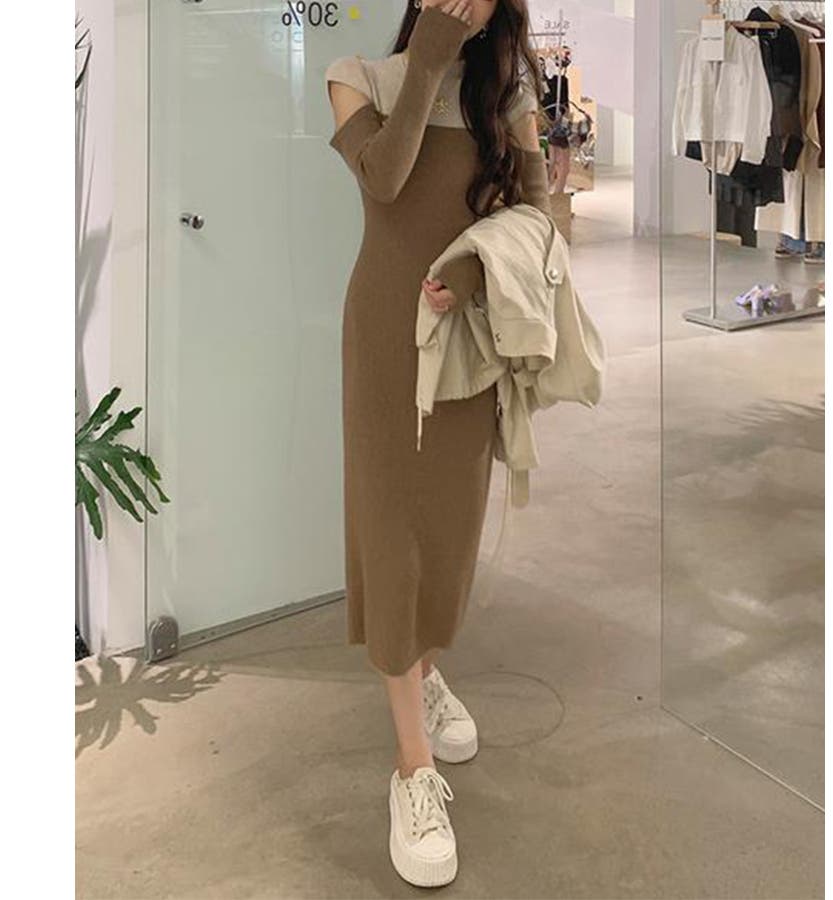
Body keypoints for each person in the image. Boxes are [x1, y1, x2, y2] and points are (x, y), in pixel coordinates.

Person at [325, 0, 551, 887]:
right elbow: (385, 182)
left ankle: (422, 672)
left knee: (448, 534)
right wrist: (427, 60)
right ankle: (411, 769)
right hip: (385, 336)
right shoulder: (356, 78)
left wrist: (473, 269)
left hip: (467, 339)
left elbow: (538, 219)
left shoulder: (510, 98)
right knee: (392, 536)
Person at [542, 45, 572, 194]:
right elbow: (565, 108)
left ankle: (548, 190)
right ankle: (557, 193)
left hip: (550, 123)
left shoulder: (544, 83)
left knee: (555, 160)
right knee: (563, 162)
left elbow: (545, 105)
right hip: (557, 123)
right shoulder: (561, 81)